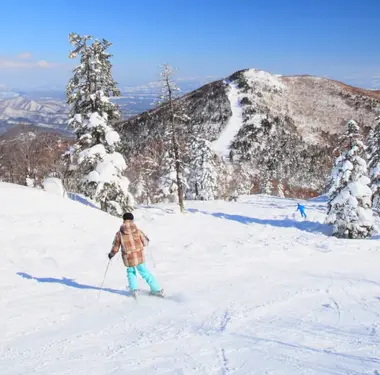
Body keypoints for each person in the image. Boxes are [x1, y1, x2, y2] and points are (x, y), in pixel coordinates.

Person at [108, 212, 163, 298]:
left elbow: (115, 247)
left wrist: (111, 254)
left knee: (131, 272)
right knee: (144, 272)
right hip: (139, 256)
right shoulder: (138, 231)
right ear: (132, 220)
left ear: (124, 220)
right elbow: (145, 242)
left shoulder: (119, 234)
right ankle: (156, 290)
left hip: (128, 258)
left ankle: (134, 290)